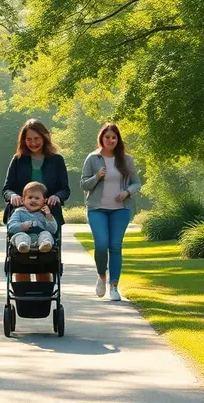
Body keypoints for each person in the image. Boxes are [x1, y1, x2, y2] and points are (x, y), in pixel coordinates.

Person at [2, 119, 70, 282]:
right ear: (23, 140)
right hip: (21, 214)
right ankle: (22, 300)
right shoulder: (18, 159)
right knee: (21, 262)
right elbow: (7, 188)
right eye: (28, 139)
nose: (33, 143)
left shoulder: (56, 160)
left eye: (36, 138)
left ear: (44, 137)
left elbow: (65, 189)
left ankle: (43, 301)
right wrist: (12, 196)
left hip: (48, 216)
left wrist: (57, 197)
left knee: (44, 262)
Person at [80, 123, 141, 302]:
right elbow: (83, 184)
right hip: (97, 208)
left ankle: (114, 286)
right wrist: (97, 176)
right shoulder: (93, 158)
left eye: (114, 137)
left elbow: (136, 182)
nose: (110, 140)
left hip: (120, 210)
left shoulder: (126, 159)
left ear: (118, 139)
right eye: (107, 137)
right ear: (102, 138)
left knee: (115, 246)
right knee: (101, 244)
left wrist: (127, 192)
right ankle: (101, 276)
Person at [6, 181, 58, 253]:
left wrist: (48, 215)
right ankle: (23, 246)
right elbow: (11, 227)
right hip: (22, 238)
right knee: (20, 236)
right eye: (30, 197)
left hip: (40, 240)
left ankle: (45, 245)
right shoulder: (19, 212)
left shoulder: (45, 214)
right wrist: (22, 226)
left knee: (46, 234)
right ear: (23, 200)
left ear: (44, 200)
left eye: (37, 198)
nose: (33, 200)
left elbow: (53, 230)